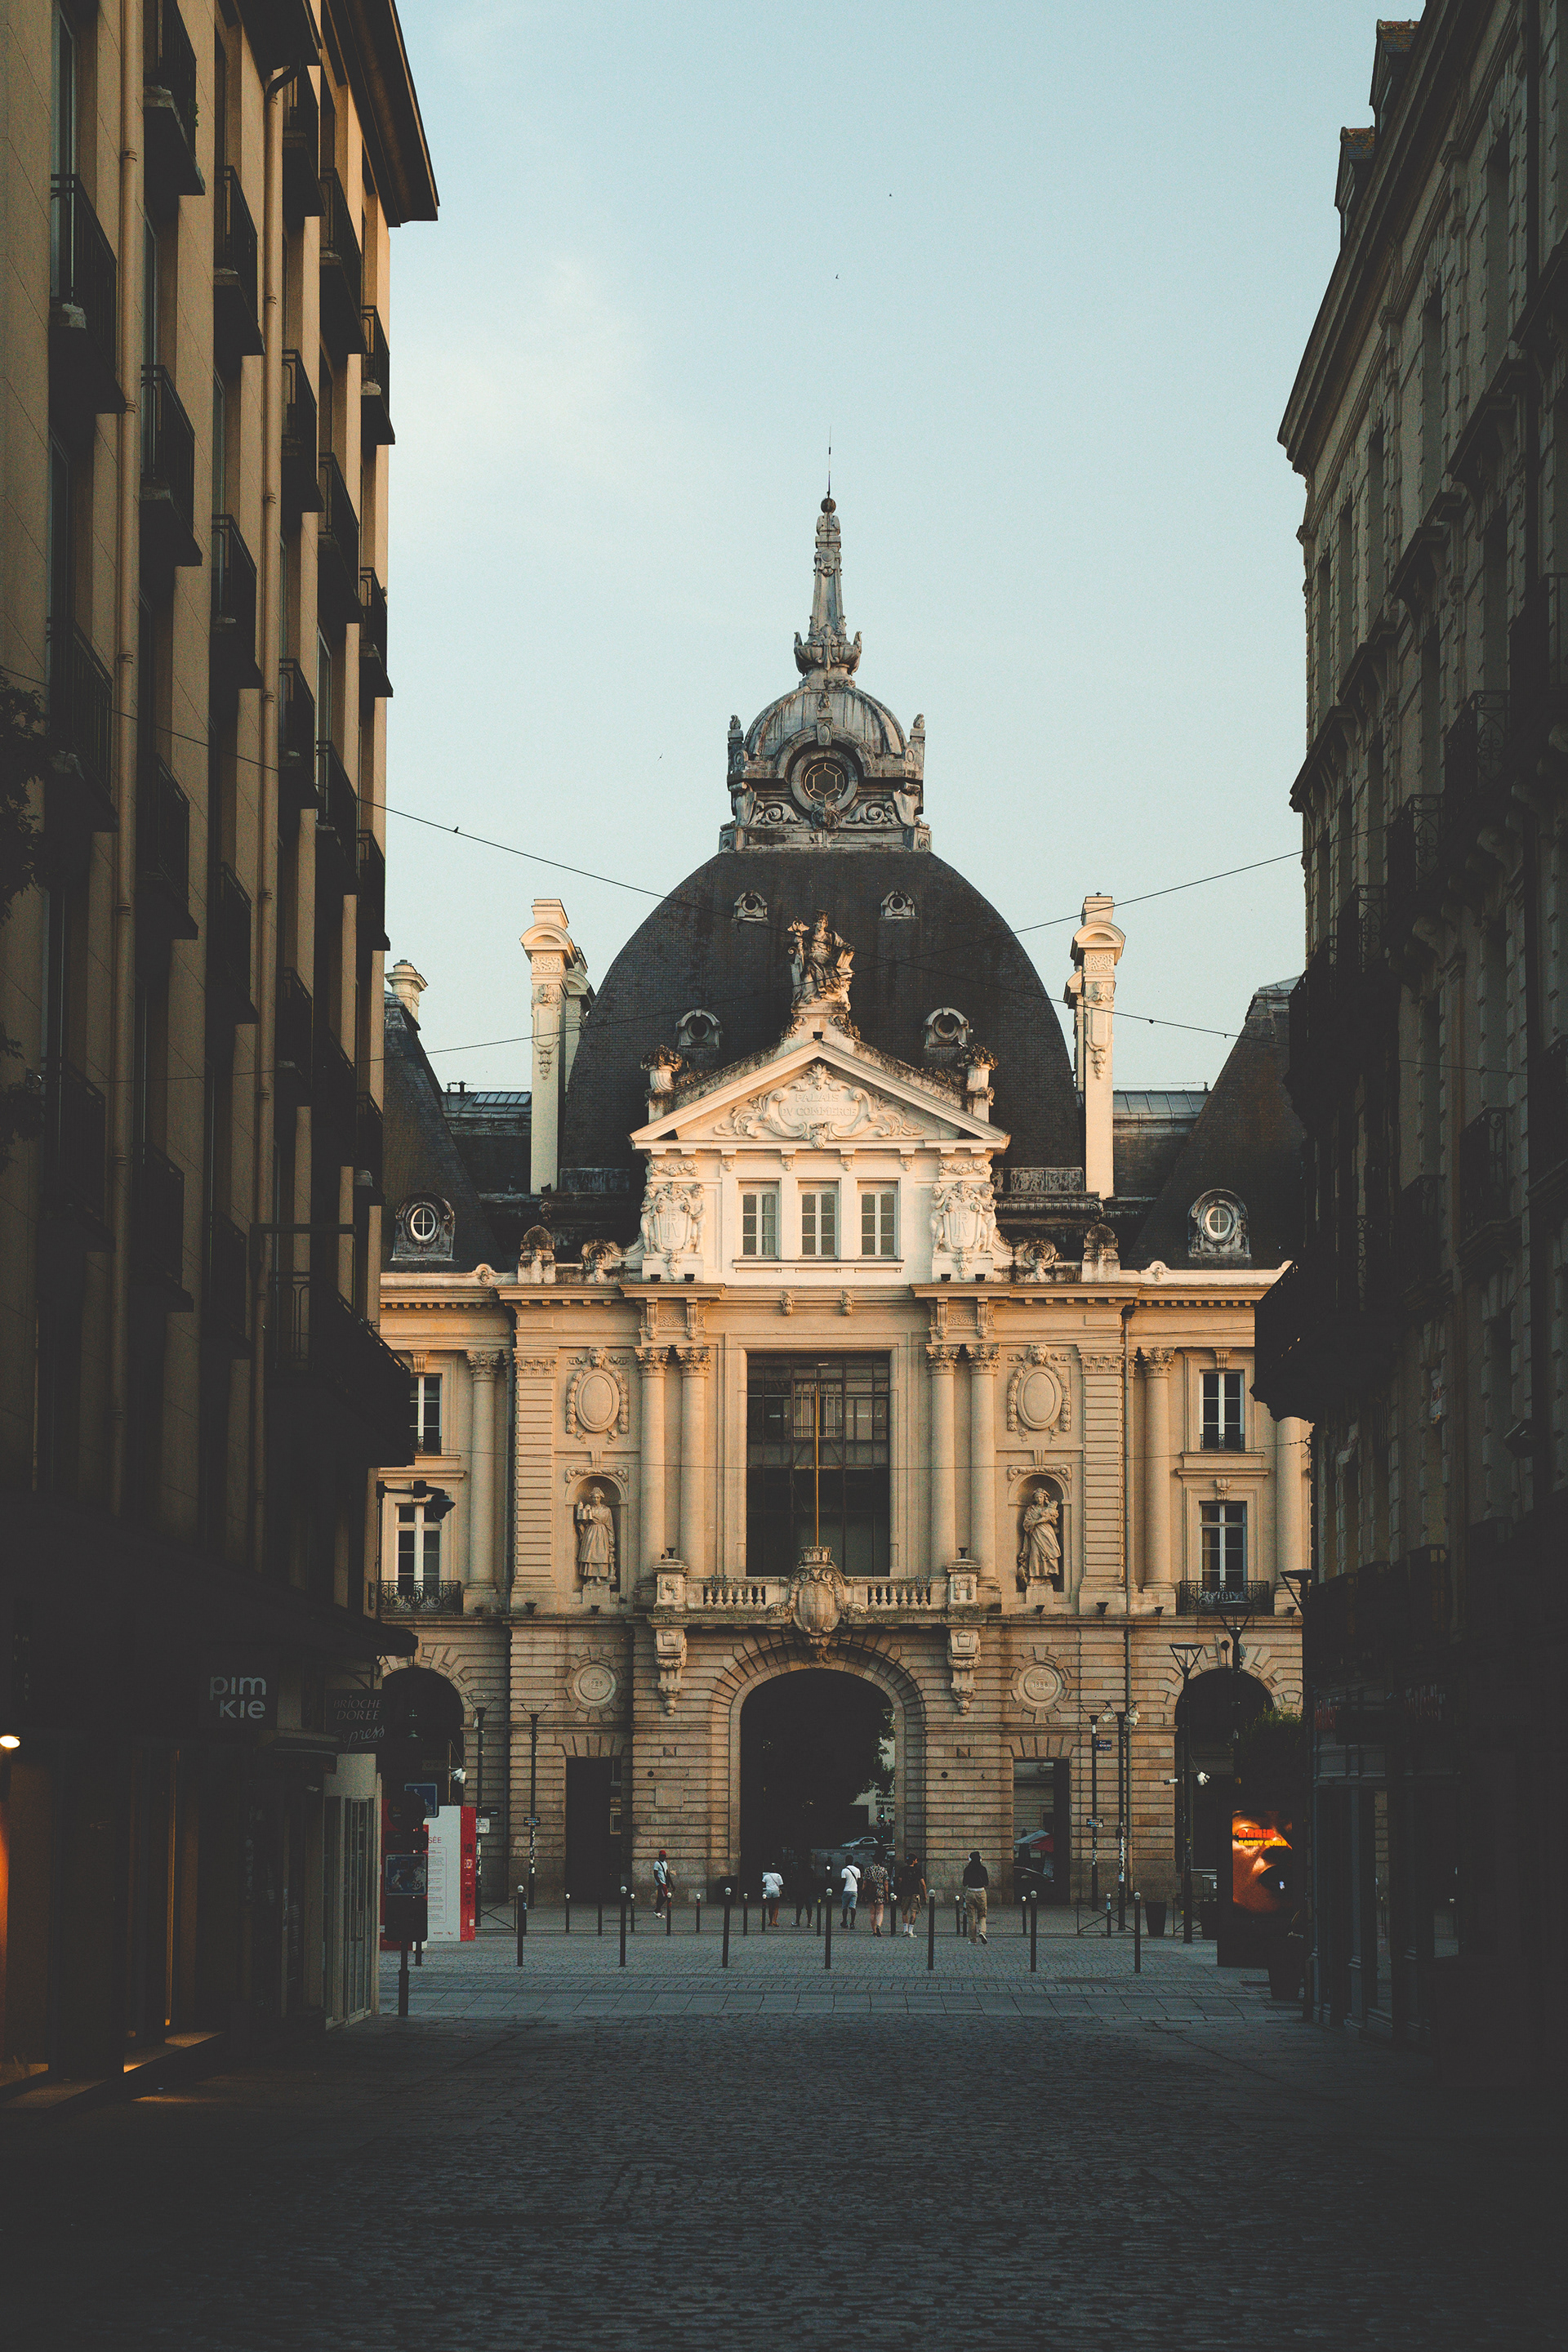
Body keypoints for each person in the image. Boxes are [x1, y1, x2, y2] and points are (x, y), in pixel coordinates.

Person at [962, 1849, 990, 1945]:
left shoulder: (967, 1869)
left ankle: (973, 1939)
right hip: (981, 1892)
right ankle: (982, 1931)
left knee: (971, 1917)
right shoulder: (983, 1869)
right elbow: (986, 1882)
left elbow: (964, 1883)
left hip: (970, 1892)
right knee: (982, 1915)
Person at [896, 1854, 926, 1937]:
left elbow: (899, 1881)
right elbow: (923, 1884)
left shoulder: (903, 1870)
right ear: (914, 1861)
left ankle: (905, 1930)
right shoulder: (917, 1870)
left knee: (904, 1912)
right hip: (915, 1893)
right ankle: (911, 1931)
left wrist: (899, 1892)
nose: (917, 1861)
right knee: (913, 1912)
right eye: (916, 1859)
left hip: (905, 1893)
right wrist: (925, 1895)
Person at [863, 1855, 889, 1936]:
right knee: (880, 1911)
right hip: (880, 1891)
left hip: (871, 1891)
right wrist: (887, 1893)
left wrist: (863, 1892)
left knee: (872, 1913)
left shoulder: (868, 1870)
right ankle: (878, 1926)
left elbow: (864, 1882)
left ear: (873, 1861)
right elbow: (886, 1883)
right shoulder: (884, 1870)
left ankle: (874, 1930)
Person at [840, 1858, 860, 1928]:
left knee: (845, 1907)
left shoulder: (844, 1870)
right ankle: (852, 1923)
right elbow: (859, 1881)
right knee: (853, 1907)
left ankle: (845, 1921)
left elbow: (843, 1882)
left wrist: (841, 1891)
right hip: (854, 1890)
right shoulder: (857, 1870)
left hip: (846, 1890)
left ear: (846, 1861)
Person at [761, 1864, 783, 1928]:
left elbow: (763, 1884)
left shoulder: (766, 1876)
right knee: (776, 1906)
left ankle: (770, 1921)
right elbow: (781, 1884)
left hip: (768, 1891)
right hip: (776, 1891)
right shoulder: (778, 1875)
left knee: (770, 1906)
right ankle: (775, 1921)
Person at [653, 1850, 670, 1917]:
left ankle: (658, 1911)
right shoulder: (657, 1864)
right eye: (661, 1856)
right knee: (665, 1897)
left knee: (660, 1897)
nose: (663, 1857)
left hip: (664, 1882)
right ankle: (657, 1909)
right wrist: (659, 1883)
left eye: (664, 1856)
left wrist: (670, 1883)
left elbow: (667, 1873)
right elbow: (655, 1874)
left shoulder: (665, 1863)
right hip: (660, 1883)